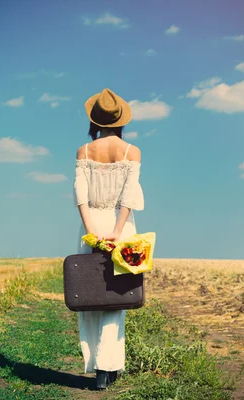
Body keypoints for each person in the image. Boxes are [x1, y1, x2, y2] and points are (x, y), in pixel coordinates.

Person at [73, 88, 145, 389]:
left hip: (90, 225)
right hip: (121, 225)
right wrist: (117, 231)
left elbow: (80, 195)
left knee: (92, 296)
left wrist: (91, 232)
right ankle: (107, 367)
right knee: (117, 297)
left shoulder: (84, 152)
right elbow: (129, 196)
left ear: (96, 119)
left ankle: (99, 365)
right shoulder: (132, 152)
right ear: (120, 120)